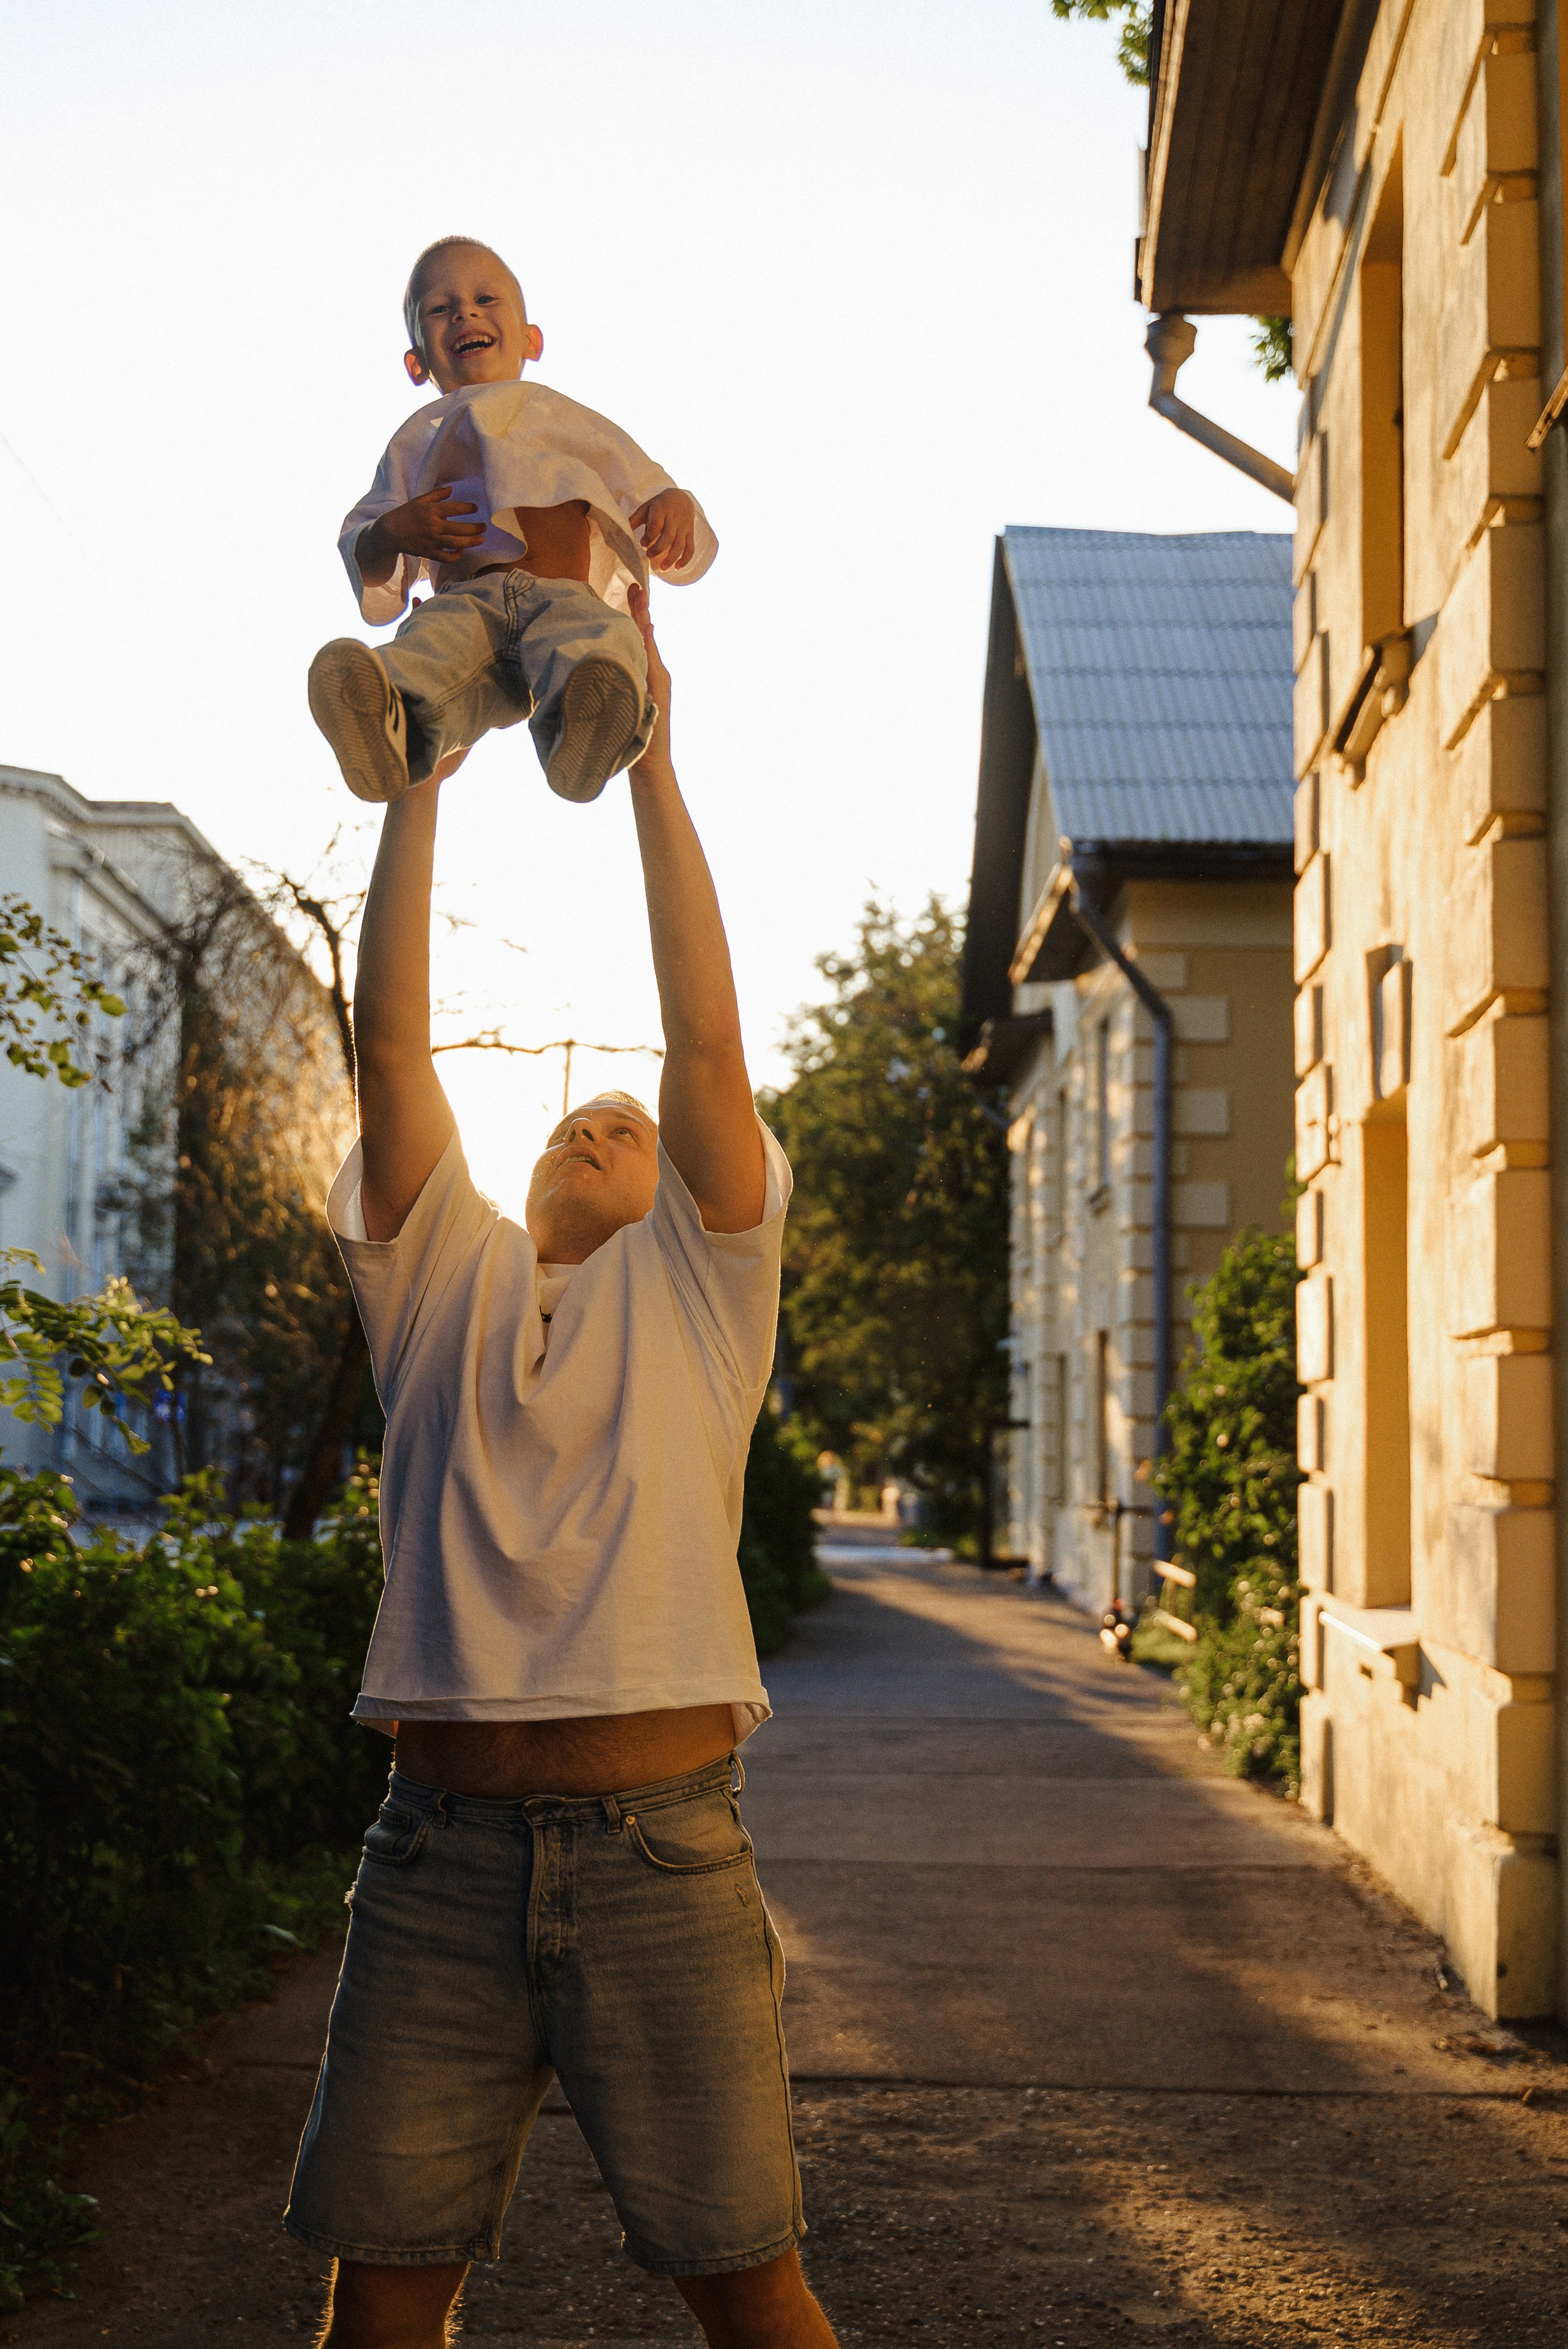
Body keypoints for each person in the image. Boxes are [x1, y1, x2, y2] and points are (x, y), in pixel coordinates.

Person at [284, 595, 839, 2349]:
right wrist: (416, 775)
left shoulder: (702, 1289)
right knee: (380, 2304)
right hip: (433, 1863)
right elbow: (390, 1048)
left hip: (660, 1858)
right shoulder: (434, 1277)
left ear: (679, 1186)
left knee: (750, 2291)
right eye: (567, 1123)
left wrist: (653, 770)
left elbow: (706, 1047)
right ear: (518, 1182)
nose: (597, 1121)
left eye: (629, 1127)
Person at [307, 235, 717, 808]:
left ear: (531, 339)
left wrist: (673, 503)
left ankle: (584, 722)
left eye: (485, 299)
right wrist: (392, 532)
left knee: (600, 640)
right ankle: (391, 722)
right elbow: (362, 547)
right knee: (428, 654)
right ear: (417, 362)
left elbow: (642, 483)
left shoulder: (564, 417)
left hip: (562, 597)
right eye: (440, 308)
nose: (465, 314)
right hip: (465, 606)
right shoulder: (415, 442)